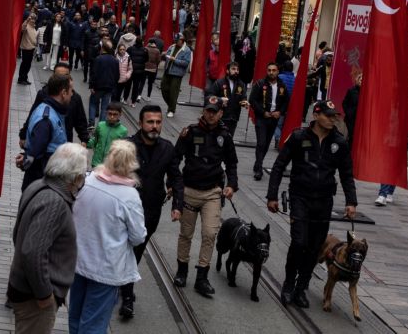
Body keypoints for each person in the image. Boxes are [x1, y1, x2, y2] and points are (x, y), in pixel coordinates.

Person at [266, 100, 357, 308]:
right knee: (299, 243)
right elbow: (279, 166)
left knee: (315, 247)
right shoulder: (299, 137)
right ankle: (289, 284)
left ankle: (301, 287)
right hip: (300, 198)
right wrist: (272, 196)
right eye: (328, 115)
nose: (333, 119)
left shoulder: (339, 142)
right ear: (316, 115)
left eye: (335, 116)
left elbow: (346, 174)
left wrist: (351, 201)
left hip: (324, 201)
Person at [7, 143, 88, 334]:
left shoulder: (38, 185)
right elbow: (32, 251)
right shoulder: (54, 202)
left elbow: (18, 235)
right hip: (34, 298)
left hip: (25, 289)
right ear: (76, 177)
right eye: (83, 175)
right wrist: (44, 294)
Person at [68, 141, 147, 333]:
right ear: (131, 163)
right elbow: (138, 237)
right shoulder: (130, 196)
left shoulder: (87, 181)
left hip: (78, 262)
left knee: (76, 316)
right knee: (94, 324)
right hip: (106, 270)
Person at [121, 105, 184, 318]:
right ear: (140, 123)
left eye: (158, 122)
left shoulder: (167, 148)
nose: (154, 126)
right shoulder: (127, 146)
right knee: (124, 248)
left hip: (151, 210)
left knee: (137, 250)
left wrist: (177, 206)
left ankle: (125, 285)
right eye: (150, 122)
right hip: (125, 209)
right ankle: (127, 295)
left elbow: (176, 177)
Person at [172, 96, 239, 298]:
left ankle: (202, 276)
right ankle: (182, 270)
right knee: (186, 233)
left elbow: (232, 164)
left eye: (214, 111)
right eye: (207, 110)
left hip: (212, 192)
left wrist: (231, 185)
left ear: (220, 113)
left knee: (210, 234)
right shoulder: (190, 132)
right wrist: (173, 185)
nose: (209, 114)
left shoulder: (225, 136)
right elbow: (175, 159)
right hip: (190, 190)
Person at [16, 74, 74, 191]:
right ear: (63, 93)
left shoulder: (50, 110)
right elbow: (36, 151)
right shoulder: (46, 118)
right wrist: (26, 158)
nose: (72, 94)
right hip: (42, 185)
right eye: (71, 91)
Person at [19, 63, 89, 149]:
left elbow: (80, 121)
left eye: (65, 76)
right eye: (59, 75)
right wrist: (23, 135)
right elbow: (32, 115)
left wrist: (84, 140)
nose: (62, 79)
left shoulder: (74, 98)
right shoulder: (43, 94)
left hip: (64, 146)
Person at [375, 99, 408, 206]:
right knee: (387, 165)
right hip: (388, 138)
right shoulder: (389, 100)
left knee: (396, 166)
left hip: (402, 140)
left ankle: (389, 191)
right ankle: (382, 194)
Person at [248, 62, 289, 180]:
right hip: (262, 118)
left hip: (274, 119)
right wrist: (262, 112)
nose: (271, 72)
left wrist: (280, 112)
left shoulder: (282, 86)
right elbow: (252, 100)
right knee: (261, 143)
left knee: (266, 144)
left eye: (274, 70)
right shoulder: (260, 84)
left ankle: (258, 162)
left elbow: (286, 101)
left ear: (278, 72)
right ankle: (259, 169)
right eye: (269, 70)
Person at [205, 62, 249, 136]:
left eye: (237, 70)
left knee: (228, 140)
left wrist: (245, 103)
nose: (236, 71)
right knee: (216, 138)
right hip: (220, 117)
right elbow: (209, 97)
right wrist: (220, 99)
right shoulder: (219, 83)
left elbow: (243, 97)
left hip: (233, 118)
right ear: (227, 71)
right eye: (233, 69)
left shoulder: (241, 84)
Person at [88, 40, 120, 127]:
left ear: (102, 48)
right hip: (109, 87)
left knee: (93, 103)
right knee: (105, 106)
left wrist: (91, 85)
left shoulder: (98, 59)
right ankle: (101, 124)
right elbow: (117, 75)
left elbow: (94, 73)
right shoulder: (115, 60)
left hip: (98, 86)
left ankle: (91, 123)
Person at [87, 102, 128, 168]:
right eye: (110, 114)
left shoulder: (123, 131)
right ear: (106, 113)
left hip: (110, 165)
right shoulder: (100, 125)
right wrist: (86, 143)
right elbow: (95, 140)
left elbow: (122, 150)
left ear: (120, 114)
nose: (112, 116)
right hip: (96, 163)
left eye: (115, 114)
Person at [161, 32, 192, 118]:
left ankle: (171, 109)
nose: (176, 42)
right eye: (175, 40)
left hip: (177, 74)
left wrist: (174, 60)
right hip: (167, 71)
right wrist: (164, 55)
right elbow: (167, 55)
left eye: (177, 40)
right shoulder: (172, 46)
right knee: (163, 88)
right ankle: (171, 105)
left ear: (182, 40)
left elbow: (186, 63)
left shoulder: (186, 50)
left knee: (173, 92)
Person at [273, 61, 296, 148]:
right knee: (284, 124)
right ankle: (284, 140)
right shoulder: (295, 79)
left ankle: (278, 138)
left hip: (280, 104)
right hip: (290, 106)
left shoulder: (279, 77)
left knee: (278, 124)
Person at [342, 73, 362, 147]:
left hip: (361, 118)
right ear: (357, 80)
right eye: (360, 79)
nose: (362, 81)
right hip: (351, 118)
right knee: (352, 135)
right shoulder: (351, 90)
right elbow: (344, 103)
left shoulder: (368, 92)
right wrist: (348, 112)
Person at [18, 13, 38, 85]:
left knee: (28, 65)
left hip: (32, 48)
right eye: (32, 18)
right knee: (24, 64)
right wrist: (27, 20)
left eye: (34, 18)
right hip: (26, 48)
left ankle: (25, 78)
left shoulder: (33, 27)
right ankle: (21, 79)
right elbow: (22, 28)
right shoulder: (27, 26)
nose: (33, 20)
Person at [128, 36, 148, 107]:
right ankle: (133, 102)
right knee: (136, 87)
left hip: (130, 69)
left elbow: (127, 57)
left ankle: (124, 98)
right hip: (139, 71)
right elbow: (146, 59)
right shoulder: (145, 50)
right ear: (142, 42)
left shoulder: (130, 49)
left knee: (128, 85)